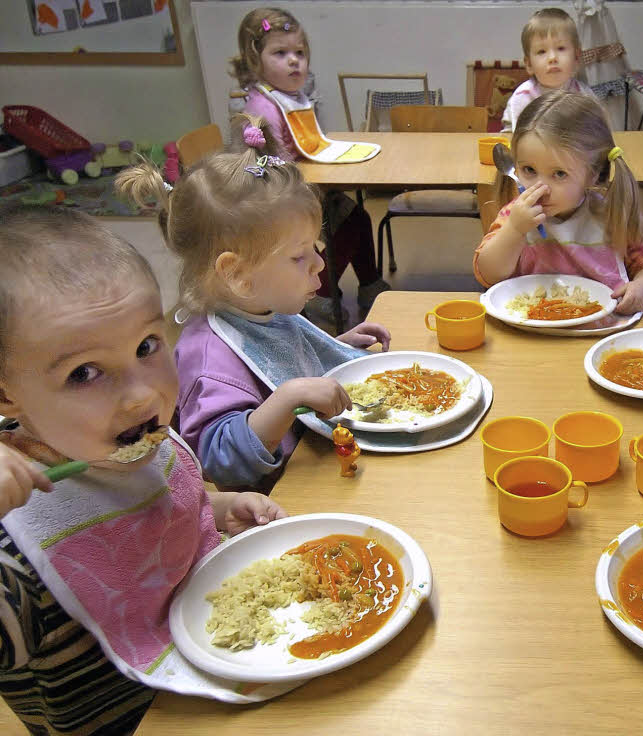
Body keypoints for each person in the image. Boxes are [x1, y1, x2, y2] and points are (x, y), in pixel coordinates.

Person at [0, 206, 287, 733]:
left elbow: (163, 499)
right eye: (84, 373)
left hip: (235, 673)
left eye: (147, 346)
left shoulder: (132, 438)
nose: (142, 394)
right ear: (5, 396)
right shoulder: (17, 548)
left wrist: (219, 507)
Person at [117, 115, 390, 494]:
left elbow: (279, 361)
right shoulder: (212, 359)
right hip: (288, 502)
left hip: (326, 468)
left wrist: (337, 345)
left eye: (316, 247)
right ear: (238, 274)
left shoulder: (260, 305)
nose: (320, 264)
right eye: (299, 256)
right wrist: (289, 397)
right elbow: (221, 462)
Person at [230, 6, 390, 321]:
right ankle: (320, 295)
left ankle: (369, 284)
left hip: (309, 190)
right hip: (277, 206)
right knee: (338, 232)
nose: (294, 60)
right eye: (280, 53)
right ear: (253, 61)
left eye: (300, 52)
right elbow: (266, 169)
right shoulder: (261, 108)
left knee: (357, 216)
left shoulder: (291, 96)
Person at [476, 90, 643, 316]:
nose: (540, 188)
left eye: (559, 174)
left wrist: (642, 288)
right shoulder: (514, 215)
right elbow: (487, 274)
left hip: (599, 328)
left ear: (593, 174)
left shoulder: (609, 215)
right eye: (529, 170)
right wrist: (515, 230)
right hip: (528, 326)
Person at [501, 8, 599, 132]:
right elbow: (520, 141)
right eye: (542, 51)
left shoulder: (584, 96)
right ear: (529, 64)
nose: (552, 58)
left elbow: (597, 134)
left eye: (561, 48)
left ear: (576, 58)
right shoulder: (523, 97)